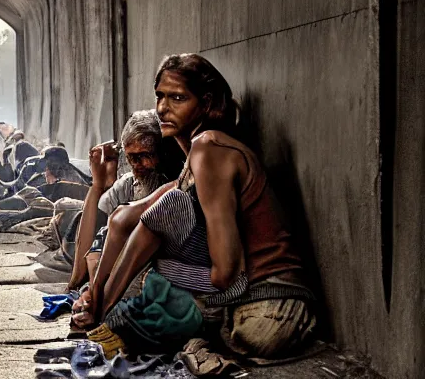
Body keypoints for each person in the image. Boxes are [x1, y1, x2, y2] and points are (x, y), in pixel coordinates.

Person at [73, 54, 315, 363]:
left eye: (177, 98)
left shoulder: (209, 148)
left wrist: (157, 269)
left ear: (206, 102)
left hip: (271, 309)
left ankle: (105, 318)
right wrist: (97, 294)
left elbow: (225, 274)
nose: (163, 108)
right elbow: (122, 219)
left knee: (157, 258)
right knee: (156, 236)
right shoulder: (196, 161)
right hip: (260, 308)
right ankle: (104, 315)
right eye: (159, 96)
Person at [67, 110, 181, 292]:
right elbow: (81, 270)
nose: (137, 165)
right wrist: (97, 185)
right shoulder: (128, 184)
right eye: (131, 158)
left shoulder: (178, 189)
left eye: (145, 155)